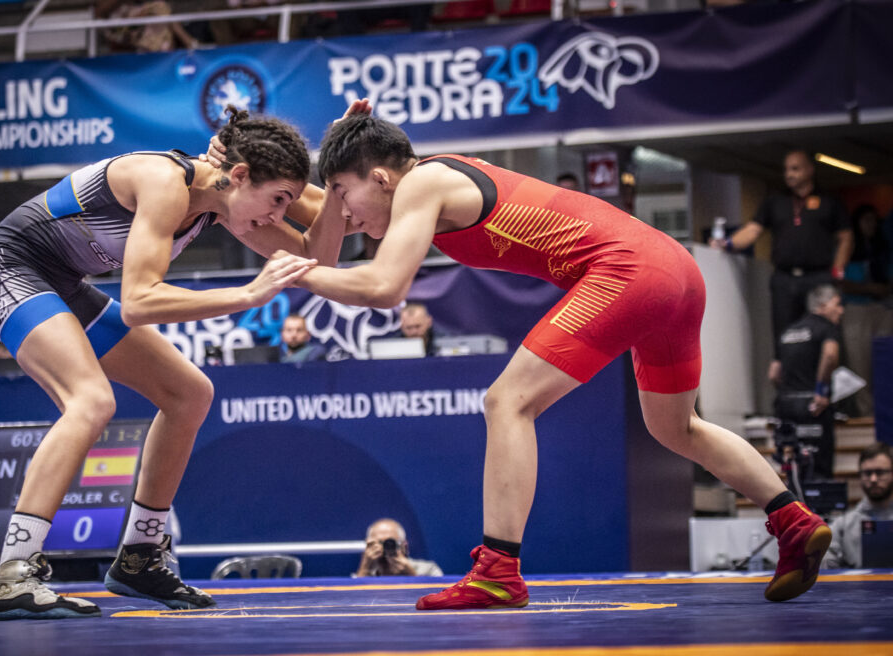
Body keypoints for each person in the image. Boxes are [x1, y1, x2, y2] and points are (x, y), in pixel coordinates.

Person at [282, 110, 831, 608]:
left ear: (379, 177)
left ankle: (498, 571)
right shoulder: (420, 183)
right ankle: (792, 520)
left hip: (628, 271)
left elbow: (385, 285)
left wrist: (284, 272)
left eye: (341, 191)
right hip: (676, 270)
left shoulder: (422, 182)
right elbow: (314, 218)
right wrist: (304, 166)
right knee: (676, 427)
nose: (342, 211)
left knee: (507, 401)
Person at [0, 108, 339, 620]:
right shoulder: (166, 182)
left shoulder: (226, 203)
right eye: (277, 201)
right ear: (240, 176)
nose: (277, 217)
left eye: (286, 205)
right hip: (10, 267)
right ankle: (13, 574)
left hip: (64, 283)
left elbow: (320, 258)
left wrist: (339, 165)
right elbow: (140, 301)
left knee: (189, 394)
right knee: (92, 401)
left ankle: (141, 557)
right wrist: (249, 294)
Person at [710, 149, 852, 375]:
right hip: (785, 278)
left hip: (819, 277)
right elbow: (753, 230)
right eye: (786, 169)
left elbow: (845, 237)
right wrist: (726, 243)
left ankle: (831, 391)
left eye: (795, 169)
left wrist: (838, 270)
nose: (789, 174)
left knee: (826, 331)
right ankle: (789, 391)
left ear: (809, 170)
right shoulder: (775, 201)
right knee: (785, 335)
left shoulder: (829, 201)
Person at [772, 284, 844, 480]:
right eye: (836, 304)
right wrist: (820, 390)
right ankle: (820, 510)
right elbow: (830, 356)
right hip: (813, 406)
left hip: (786, 405)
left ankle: (795, 508)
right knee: (818, 467)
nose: (841, 310)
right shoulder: (826, 327)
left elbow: (774, 373)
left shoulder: (788, 332)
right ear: (822, 305)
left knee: (793, 466)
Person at [840, 204, 893, 417]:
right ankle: (866, 413)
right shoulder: (848, 249)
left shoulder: (884, 248)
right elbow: (840, 280)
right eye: (865, 220)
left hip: (883, 308)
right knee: (859, 363)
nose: (870, 225)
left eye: (873, 220)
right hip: (856, 309)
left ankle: (886, 414)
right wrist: (868, 288)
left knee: (884, 362)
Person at [824, 442, 893, 568]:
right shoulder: (843, 525)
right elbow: (825, 560)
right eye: (867, 473)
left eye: (880, 472)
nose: (873, 479)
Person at [96, 0, 199, 53]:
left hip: (137, 22)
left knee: (161, 14)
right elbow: (99, 13)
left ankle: (163, 54)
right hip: (117, 28)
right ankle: (190, 43)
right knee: (160, 7)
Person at [354, 518, 443, 577]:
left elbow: (437, 598)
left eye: (391, 542)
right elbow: (352, 599)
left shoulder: (428, 570)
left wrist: (411, 575)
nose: (385, 547)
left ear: (405, 546)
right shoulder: (366, 573)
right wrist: (365, 569)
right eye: (379, 543)